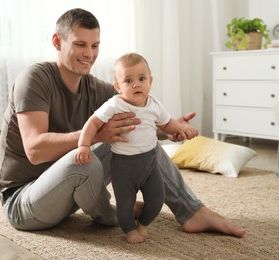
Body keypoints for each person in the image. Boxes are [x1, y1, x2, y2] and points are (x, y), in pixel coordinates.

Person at [0, 8, 245, 239]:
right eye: (80, 44)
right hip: (24, 202)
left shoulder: (97, 89)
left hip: (68, 191)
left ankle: (191, 212)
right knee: (83, 161)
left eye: (95, 46)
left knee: (140, 142)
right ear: (57, 42)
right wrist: (95, 136)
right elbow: (35, 150)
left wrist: (170, 129)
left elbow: (134, 122)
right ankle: (110, 214)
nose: (89, 54)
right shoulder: (35, 79)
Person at [75, 53, 199, 243]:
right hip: (123, 166)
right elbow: (92, 123)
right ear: (118, 87)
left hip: (150, 163)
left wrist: (183, 128)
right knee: (125, 204)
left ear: (150, 80)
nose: (136, 84)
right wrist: (83, 145)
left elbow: (168, 125)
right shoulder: (115, 104)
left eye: (142, 79)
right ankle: (130, 229)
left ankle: (142, 225)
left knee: (158, 199)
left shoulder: (154, 105)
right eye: (128, 81)